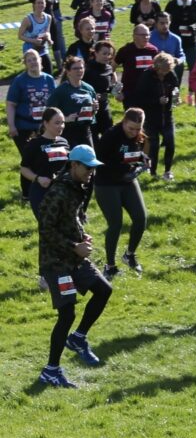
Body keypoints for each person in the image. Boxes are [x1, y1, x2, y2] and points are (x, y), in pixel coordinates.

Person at [36, 142, 116, 387]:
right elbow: (45, 228)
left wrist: (83, 237)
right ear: (74, 164)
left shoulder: (78, 186)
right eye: (87, 167)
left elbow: (72, 219)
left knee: (104, 290)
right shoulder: (57, 192)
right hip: (56, 262)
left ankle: (78, 338)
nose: (91, 171)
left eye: (93, 167)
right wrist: (74, 246)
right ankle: (51, 370)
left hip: (74, 257)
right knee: (67, 313)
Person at [93, 106, 149, 277]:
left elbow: (137, 155)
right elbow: (100, 163)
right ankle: (110, 266)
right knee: (116, 224)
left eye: (137, 129)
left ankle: (129, 255)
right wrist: (126, 166)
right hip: (107, 183)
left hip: (127, 180)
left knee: (141, 218)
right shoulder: (111, 135)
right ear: (123, 122)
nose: (133, 132)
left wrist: (143, 161)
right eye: (130, 128)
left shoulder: (139, 137)